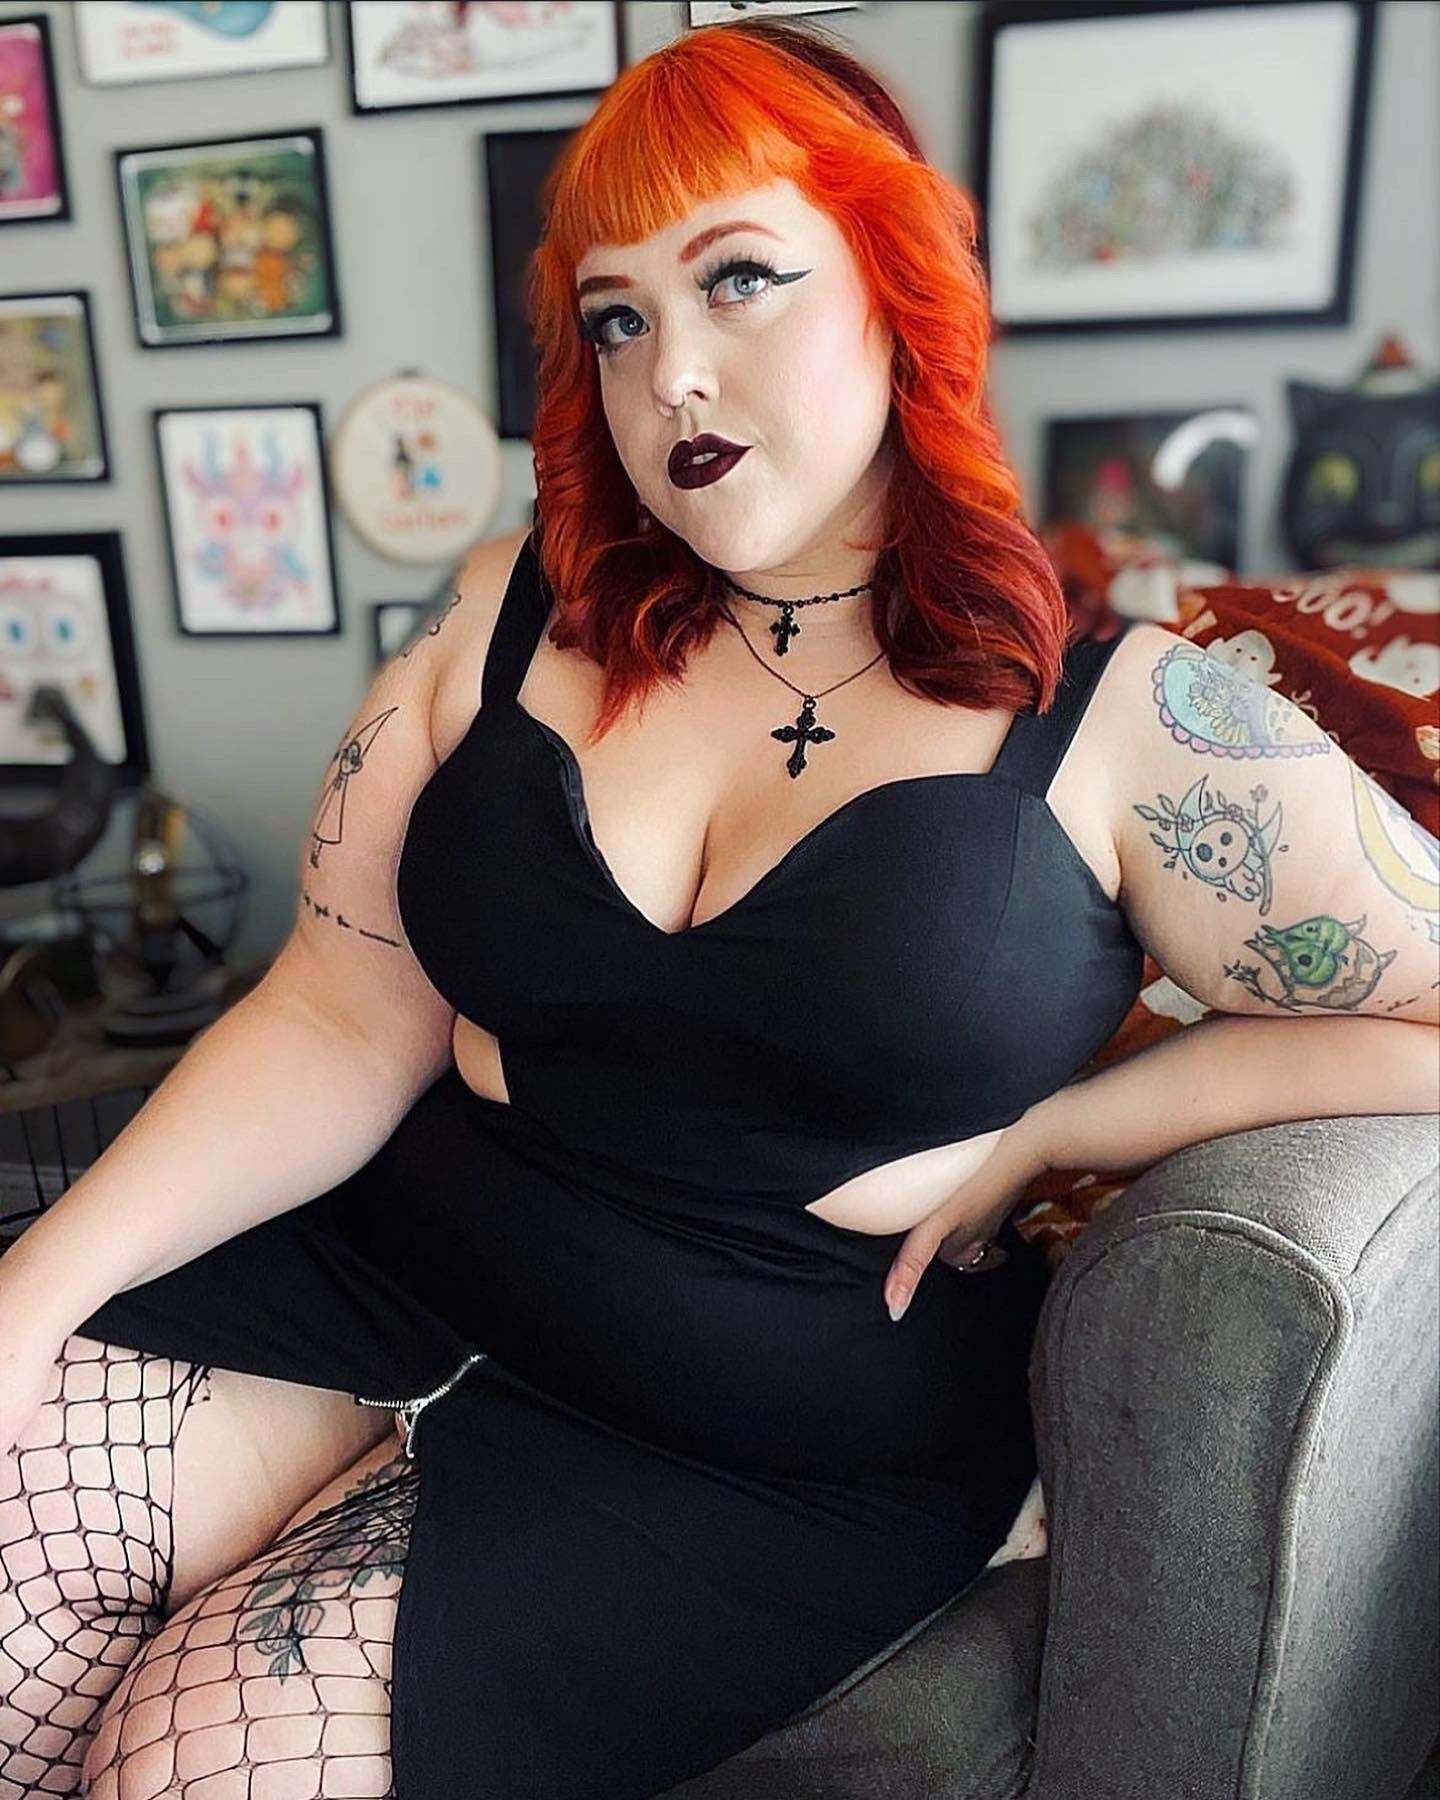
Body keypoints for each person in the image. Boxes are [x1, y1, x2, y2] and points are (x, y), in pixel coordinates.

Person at [11, 16, 1432, 1800]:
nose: (672, 372)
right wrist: (30, 1294)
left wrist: (1071, 1125)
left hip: (757, 1447)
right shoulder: (508, 611)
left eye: (739, 279)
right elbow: (334, 1008)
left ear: (899, 286)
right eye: (617, 318)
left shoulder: (1132, 716)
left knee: (190, 1760)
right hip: (395, 1264)